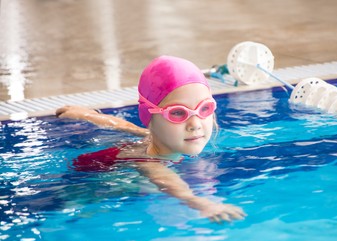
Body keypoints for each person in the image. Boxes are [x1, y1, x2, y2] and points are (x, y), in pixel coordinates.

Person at [56, 55, 245, 223]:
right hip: (87, 183)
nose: (195, 124)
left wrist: (86, 114)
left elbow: (124, 126)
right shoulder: (149, 162)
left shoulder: (153, 137)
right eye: (177, 113)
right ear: (150, 118)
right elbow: (167, 180)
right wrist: (200, 203)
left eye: (204, 109)